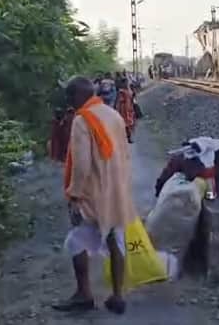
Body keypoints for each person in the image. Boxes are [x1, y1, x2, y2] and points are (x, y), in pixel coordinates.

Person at [53, 76, 136, 315]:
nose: (69, 102)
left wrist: (75, 196)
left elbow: (81, 164)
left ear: (79, 96)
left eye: (70, 97)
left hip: (93, 194)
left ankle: (84, 294)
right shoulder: (112, 115)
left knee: (76, 242)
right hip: (115, 190)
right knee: (115, 238)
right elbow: (124, 153)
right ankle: (118, 296)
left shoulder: (83, 120)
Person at [115, 78, 136, 143]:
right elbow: (120, 100)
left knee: (129, 123)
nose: (127, 84)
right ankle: (127, 137)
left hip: (129, 108)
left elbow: (132, 98)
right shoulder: (121, 91)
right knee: (126, 123)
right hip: (124, 109)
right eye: (126, 82)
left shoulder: (128, 90)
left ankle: (128, 137)